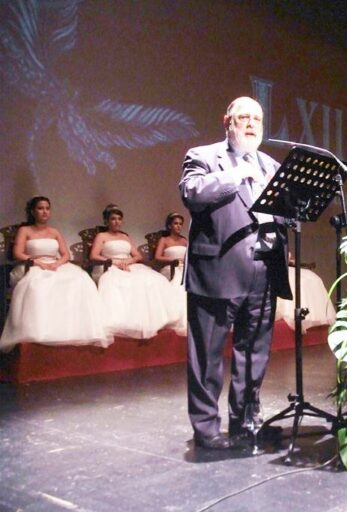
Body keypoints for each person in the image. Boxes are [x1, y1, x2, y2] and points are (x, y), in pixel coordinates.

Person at [179, 96, 291, 450]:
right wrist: (236, 174)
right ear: (227, 120)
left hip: (263, 271)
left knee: (253, 353)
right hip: (217, 271)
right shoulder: (203, 156)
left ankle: (245, 422)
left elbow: (284, 212)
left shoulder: (271, 164)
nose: (251, 123)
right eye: (243, 117)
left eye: (257, 118)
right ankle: (207, 428)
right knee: (207, 355)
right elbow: (191, 192)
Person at [0, 197, 110, 352]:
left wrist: (57, 264)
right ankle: (39, 329)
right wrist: (38, 263)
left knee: (81, 280)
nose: (44, 212)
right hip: (32, 264)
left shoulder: (54, 232)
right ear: (32, 211)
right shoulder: (25, 230)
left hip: (55, 264)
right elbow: (18, 253)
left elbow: (65, 254)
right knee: (39, 284)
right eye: (40, 208)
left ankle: (71, 328)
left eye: (47, 208)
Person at [90, 204, 181, 339]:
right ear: (107, 221)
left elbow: (138, 256)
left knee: (153, 279)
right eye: (113, 219)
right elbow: (94, 256)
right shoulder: (101, 236)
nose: (117, 222)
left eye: (119, 219)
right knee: (118, 282)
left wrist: (128, 262)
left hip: (128, 264)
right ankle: (125, 321)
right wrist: (115, 262)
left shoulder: (125, 237)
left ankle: (152, 319)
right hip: (109, 265)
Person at [154, 212, 188, 336]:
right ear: (169, 226)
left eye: (180, 224)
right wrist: (172, 261)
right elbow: (157, 257)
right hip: (170, 267)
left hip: (184, 267)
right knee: (179, 281)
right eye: (175, 223)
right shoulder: (164, 240)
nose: (178, 226)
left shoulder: (184, 240)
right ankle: (174, 316)